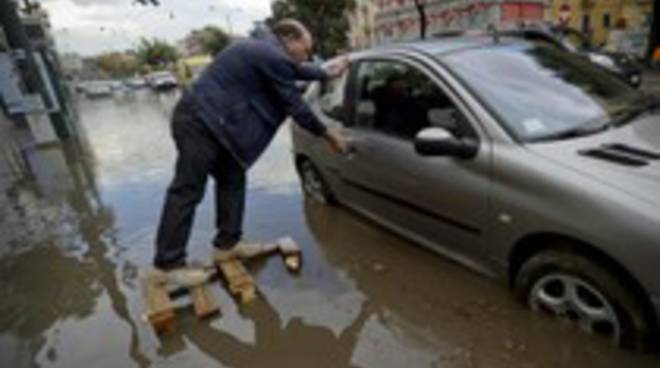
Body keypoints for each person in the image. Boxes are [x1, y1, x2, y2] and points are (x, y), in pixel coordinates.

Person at [149, 19, 349, 286]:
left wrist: (326, 72)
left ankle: (227, 244)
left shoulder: (263, 51)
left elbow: (295, 70)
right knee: (187, 190)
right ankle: (167, 264)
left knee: (233, 179)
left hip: (216, 125)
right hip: (200, 122)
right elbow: (296, 106)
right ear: (289, 40)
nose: (307, 55)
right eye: (306, 48)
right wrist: (327, 134)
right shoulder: (267, 54)